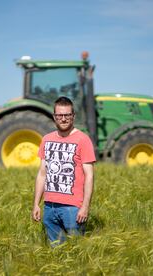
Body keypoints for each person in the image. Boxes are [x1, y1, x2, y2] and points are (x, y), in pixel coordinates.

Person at [32, 96, 96, 246]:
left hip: (72, 208)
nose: (63, 119)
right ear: (54, 117)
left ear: (73, 116)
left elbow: (89, 176)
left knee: (76, 251)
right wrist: (36, 204)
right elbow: (42, 174)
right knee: (57, 253)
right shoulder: (46, 139)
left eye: (67, 115)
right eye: (60, 115)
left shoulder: (83, 139)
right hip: (49, 207)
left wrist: (85, 207)